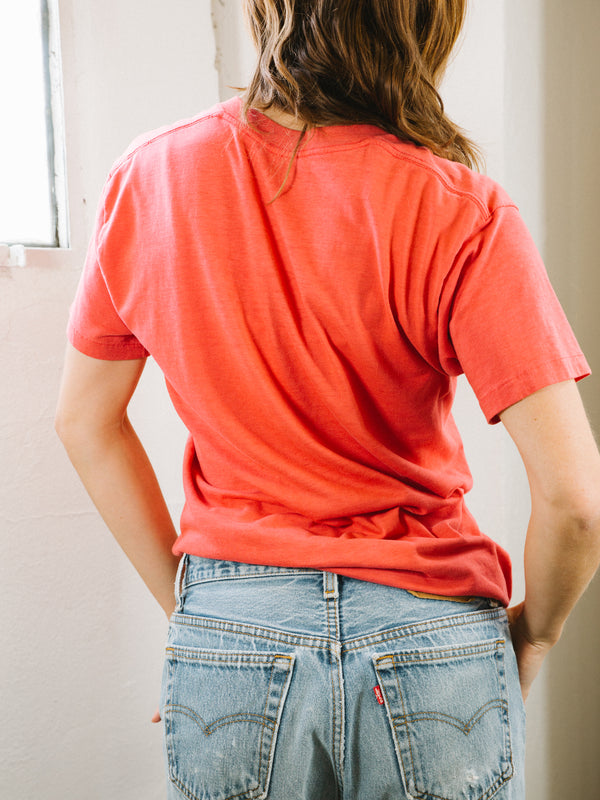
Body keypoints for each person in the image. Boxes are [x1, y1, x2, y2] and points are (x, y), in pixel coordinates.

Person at [55, 1, 600, 798]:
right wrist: (537, 636)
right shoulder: (462, 209)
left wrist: (203, 618)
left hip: (232, 624)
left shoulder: (150, 177)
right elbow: (577, 503)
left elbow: (83, 420)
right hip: (431, 629)